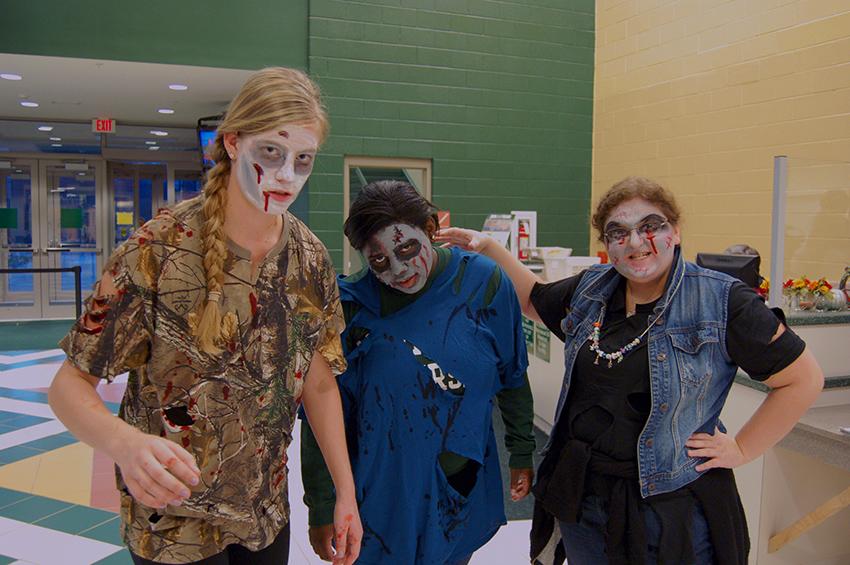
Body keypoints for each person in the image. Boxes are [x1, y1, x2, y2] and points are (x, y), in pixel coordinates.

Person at [48, 67, 362, 565]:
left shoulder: (308, 257)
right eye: (271, 153)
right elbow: (68, 384)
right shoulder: (158, 249)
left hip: (262, 510)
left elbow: (319, 382)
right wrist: (124, 444)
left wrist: (345, 493)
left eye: (303, 160)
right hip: (172, 519)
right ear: (233, 143)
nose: (286, 176)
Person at [436, 176, 824, 565]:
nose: (635, 243)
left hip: (669, 508)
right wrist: (488, 247)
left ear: (674, 230)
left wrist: (742, 448)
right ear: (606, 246)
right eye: (618, 233)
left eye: (650, 227)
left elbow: (803, 379)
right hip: (585, 501)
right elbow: (534, 299)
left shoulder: (721, 300)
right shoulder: (593, 291)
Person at [300, 180, 536, 565]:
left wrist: (521, 448)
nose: (399, 268)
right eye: (378, 261)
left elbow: (511, 372)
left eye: (407, 248)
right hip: (378, 494)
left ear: (430, 228)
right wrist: (322, 504)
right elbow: (321, 416)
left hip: (458, 484)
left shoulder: (482, 282)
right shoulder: (350, 307)